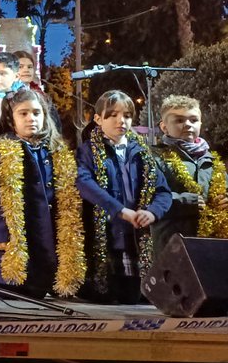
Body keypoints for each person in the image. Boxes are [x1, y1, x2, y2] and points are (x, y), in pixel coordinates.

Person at [0, 87, 85, 298]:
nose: (31, 118)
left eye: (36, 113)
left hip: (47, 227)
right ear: (11, 120)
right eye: (23, 113)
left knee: (42, 275)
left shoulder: (55, 151)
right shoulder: (2, 152)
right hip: (18, 231)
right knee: (16, 287)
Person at [75, 90, 172, 304]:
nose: (121, 121)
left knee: (136, 298)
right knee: (108, 296)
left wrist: (152, 212)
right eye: (112, 115)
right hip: (106, 237)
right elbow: (84, 183)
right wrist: (119, 210)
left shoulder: (142, 152)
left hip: (137, 237)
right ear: (98, 119)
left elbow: (162, 191)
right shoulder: (87, 151)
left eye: (127, 115)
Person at [152, 94, 228, 252]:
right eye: (179, 120)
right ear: (164, 126)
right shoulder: (155, 158)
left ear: (201, 123)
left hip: (212, 246)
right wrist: (186, 202)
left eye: (193, 120)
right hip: (173, 248)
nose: (187, 125)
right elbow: (147, 198)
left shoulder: (213, 160)